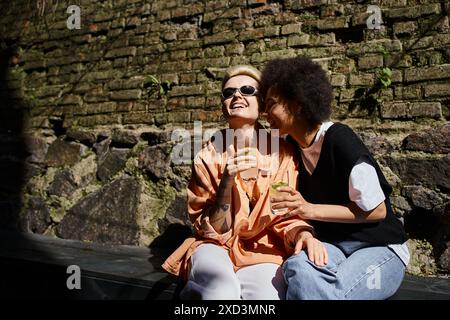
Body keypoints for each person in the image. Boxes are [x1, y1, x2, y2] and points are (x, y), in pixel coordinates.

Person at [162, 65, 326, 300]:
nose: (236, 95)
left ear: (261, 103)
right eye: (228, 93)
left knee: (267, 299)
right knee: (220, 290)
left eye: (247, 90)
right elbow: (213, 230)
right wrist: (226, 183)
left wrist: (304, 235)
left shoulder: (282, 153)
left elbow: (286, 212)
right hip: (216, 246)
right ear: (223, 106)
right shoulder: (208, 156)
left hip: (263, 249)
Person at [259, 56, 410, 300]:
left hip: (379, 247)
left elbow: (378, 211)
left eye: (272, 104)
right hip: (333, 247)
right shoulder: (290, 148)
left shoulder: (339, 140)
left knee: (334, 290)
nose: (266, 113)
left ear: (297, 103)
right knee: (297, 267)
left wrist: (310, 210)